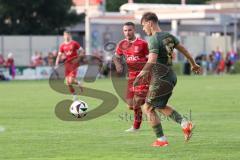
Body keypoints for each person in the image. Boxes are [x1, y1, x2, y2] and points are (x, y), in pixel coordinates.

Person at [135, 12, 201, 147]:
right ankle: (184, 123)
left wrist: (141, 74)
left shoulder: (153, 39)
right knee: (159, 106)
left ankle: (161, 140)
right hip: (171, 76)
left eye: (143, 26)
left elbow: (152, 59)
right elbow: (185, 50)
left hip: (161, 78)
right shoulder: (169, 37)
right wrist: (193, 64)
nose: (143, 29)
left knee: (148, 108)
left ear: (150, 23)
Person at [113, 22, 149, 132]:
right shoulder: (122, 44)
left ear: (134, 30)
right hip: (130, 77)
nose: (127, 32)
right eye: (125, 30)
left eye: (129, 30)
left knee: (137, 102)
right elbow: (116, 56)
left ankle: (136, 127)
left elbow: (150, 58)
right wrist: (118, 65)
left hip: (142, 76)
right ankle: (149, 100)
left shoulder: (142, 43)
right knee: (130, 104)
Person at [55, 31, 84, 101]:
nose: (66, 36)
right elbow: (59, 55)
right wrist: (56, 64)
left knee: (70, 80)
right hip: (67, 64)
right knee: (68, 83)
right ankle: (74, 94)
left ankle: (78, 83)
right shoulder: (62, 46)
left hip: (74, 64)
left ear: (70, 36)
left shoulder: (74, 43)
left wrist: (79, 58)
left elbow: (82, 50)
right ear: (63, 36)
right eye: (65, 35)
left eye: (67, 35)